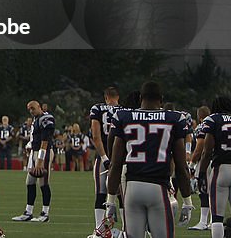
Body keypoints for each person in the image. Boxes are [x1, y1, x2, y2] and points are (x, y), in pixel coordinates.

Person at [105, 81, 193, 238]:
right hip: (158, 188)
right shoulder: (174, 118)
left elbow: (115, 163)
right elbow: (181, 166)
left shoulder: (124, 117)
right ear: (161, 100)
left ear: (140, 98)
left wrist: (111, 199)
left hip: (132, 188)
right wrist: (187, 201)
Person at [12, 100, 55, 223]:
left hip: (44, 153)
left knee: (43, 182)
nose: (31, 111)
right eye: (29, 109)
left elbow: (45, 141)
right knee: (30, 182)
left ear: (39, 107)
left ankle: (45, 213)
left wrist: (40, 161)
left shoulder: (46, 118)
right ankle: (28, 212)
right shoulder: (36, 120)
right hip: (34, 153)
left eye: (33, 108)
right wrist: (29, 146)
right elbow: (35, 138)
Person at [197, 96, 231, 238]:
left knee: (217, 217)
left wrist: (202, 173)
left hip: (221, 169)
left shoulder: (212, 119)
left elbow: (207, 151)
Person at [89, 86, 121, 233]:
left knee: (101, 192)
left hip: (104, 156)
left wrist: (104, 158)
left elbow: (96, 136)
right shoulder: (124, 111)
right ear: (118, 97)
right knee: (123, 194)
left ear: (106, 97)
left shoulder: (97, 109)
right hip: (121, 157)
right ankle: (129, 230)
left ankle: (100, 230)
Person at [188, 104, 212, 231]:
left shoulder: (203, 125)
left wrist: (192, 162)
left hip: (207, 162)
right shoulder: (218, 122)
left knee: (204, 192)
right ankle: (213, 221)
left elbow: (200, 147)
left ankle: (203, 222)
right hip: (221, 160)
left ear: (200, 117)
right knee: (215, 193)